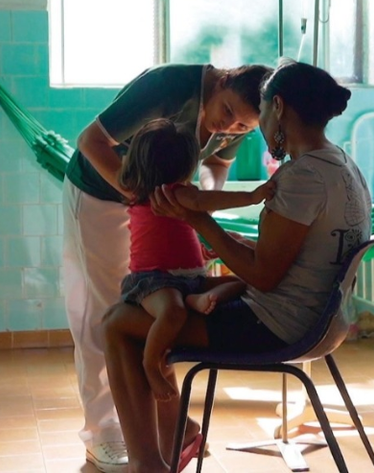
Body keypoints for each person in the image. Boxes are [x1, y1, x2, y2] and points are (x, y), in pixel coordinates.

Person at [102, 59, 373, 473]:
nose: (256, 128)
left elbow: (264, 275)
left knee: (118, 324)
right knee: (142, 321)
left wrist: (198, 220)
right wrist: (230, 241)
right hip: (325, 319)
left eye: (259, 115)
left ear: (278, 108)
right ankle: (177, 434)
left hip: (279, 325)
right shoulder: (341, 163)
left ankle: (148, 464)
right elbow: (295, 252)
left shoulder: (303, 177)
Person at [62, 62, 272, 472]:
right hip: (100, 194)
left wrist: (192, 207)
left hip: (158, 209)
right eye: (227, 113)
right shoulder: (167, 86)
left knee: (148, 320)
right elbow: (90, 141)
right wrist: (139, 195)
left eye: (243, 127)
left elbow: (215, 167)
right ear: (222, 81)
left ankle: (171, 428)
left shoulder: (237, 117)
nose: (229, 128)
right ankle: (102, 434)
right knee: (102, 312)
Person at [117, 118, 275, 402]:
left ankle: (196, 300)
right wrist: (252, 197)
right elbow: (205, 203)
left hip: (189, 280)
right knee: (172, 312)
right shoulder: (174, 193)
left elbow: (174, 234)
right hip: (153, 282)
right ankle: (151, 362)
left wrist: (200, 253)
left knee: (241, 282)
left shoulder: (157, 193)